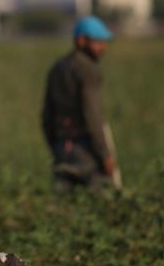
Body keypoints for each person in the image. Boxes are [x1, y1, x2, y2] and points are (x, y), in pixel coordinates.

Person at [41, 16, 116, 191]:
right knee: (98, 206)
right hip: (85, 149)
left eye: (104, 42)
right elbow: (93, 116)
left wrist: (55, 146)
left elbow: (46, 116)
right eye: (97, 42)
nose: (102, 47)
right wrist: (105, 155)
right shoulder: (88, 69)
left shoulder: (57, 68)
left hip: (61, 147)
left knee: (63, 207)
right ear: (81, 40)